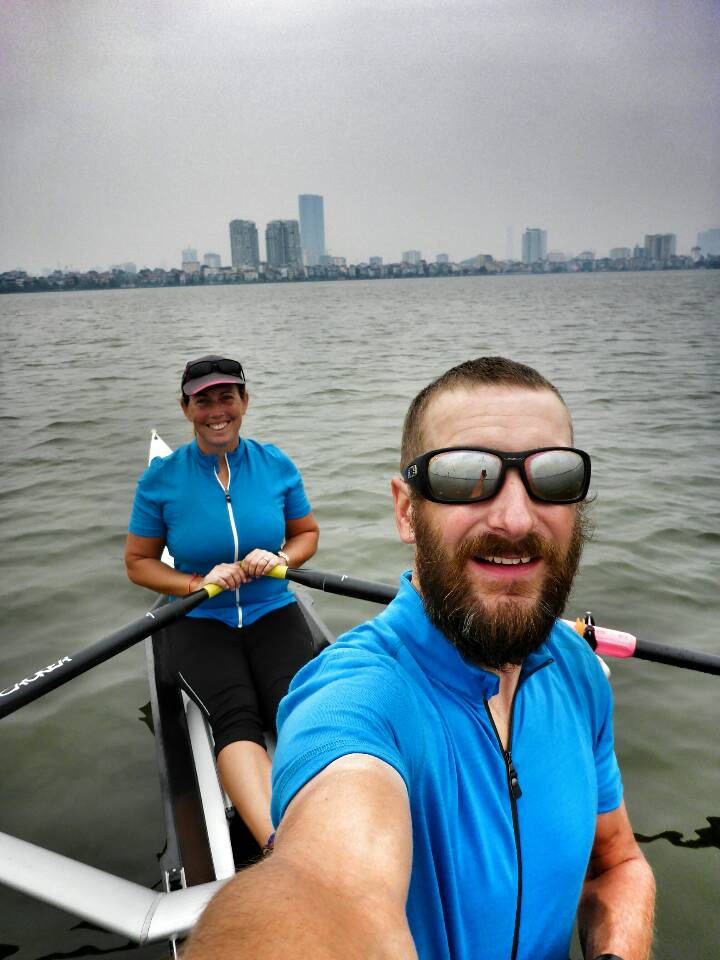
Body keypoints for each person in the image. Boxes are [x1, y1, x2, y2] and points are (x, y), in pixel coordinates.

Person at [184, 357, 655, 959]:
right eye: (465, 478)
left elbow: (614, 865)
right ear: (407, 510)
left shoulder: (581, 675)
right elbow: (327, 887)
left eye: (553, 478)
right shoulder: (358, 700)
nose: (515, 519)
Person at [124, 354, 319, 851]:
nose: (216, 410)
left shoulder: (275, 464)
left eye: (226, 397)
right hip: (201, 618)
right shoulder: (161, 480)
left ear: (244, 402)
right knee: (236, 718)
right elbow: (140, 564)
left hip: (272, 609)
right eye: (203, 399)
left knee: (296, 710)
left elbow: (307, 536)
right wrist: (193, 582)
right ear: (186, 408)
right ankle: (281, 844)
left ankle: (329, 817)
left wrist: (278, 558)